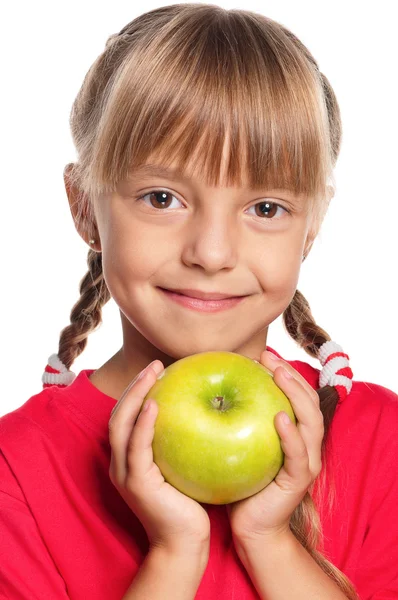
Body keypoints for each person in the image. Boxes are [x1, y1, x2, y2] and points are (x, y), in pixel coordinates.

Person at [1, 4, 397, 599]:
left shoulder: (381, 443)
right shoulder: (17, 469)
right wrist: (173, 554)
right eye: (162, 198)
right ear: (84, 206)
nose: (211, 253)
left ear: (311, 228)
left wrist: (268, 539)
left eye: (265, 208)